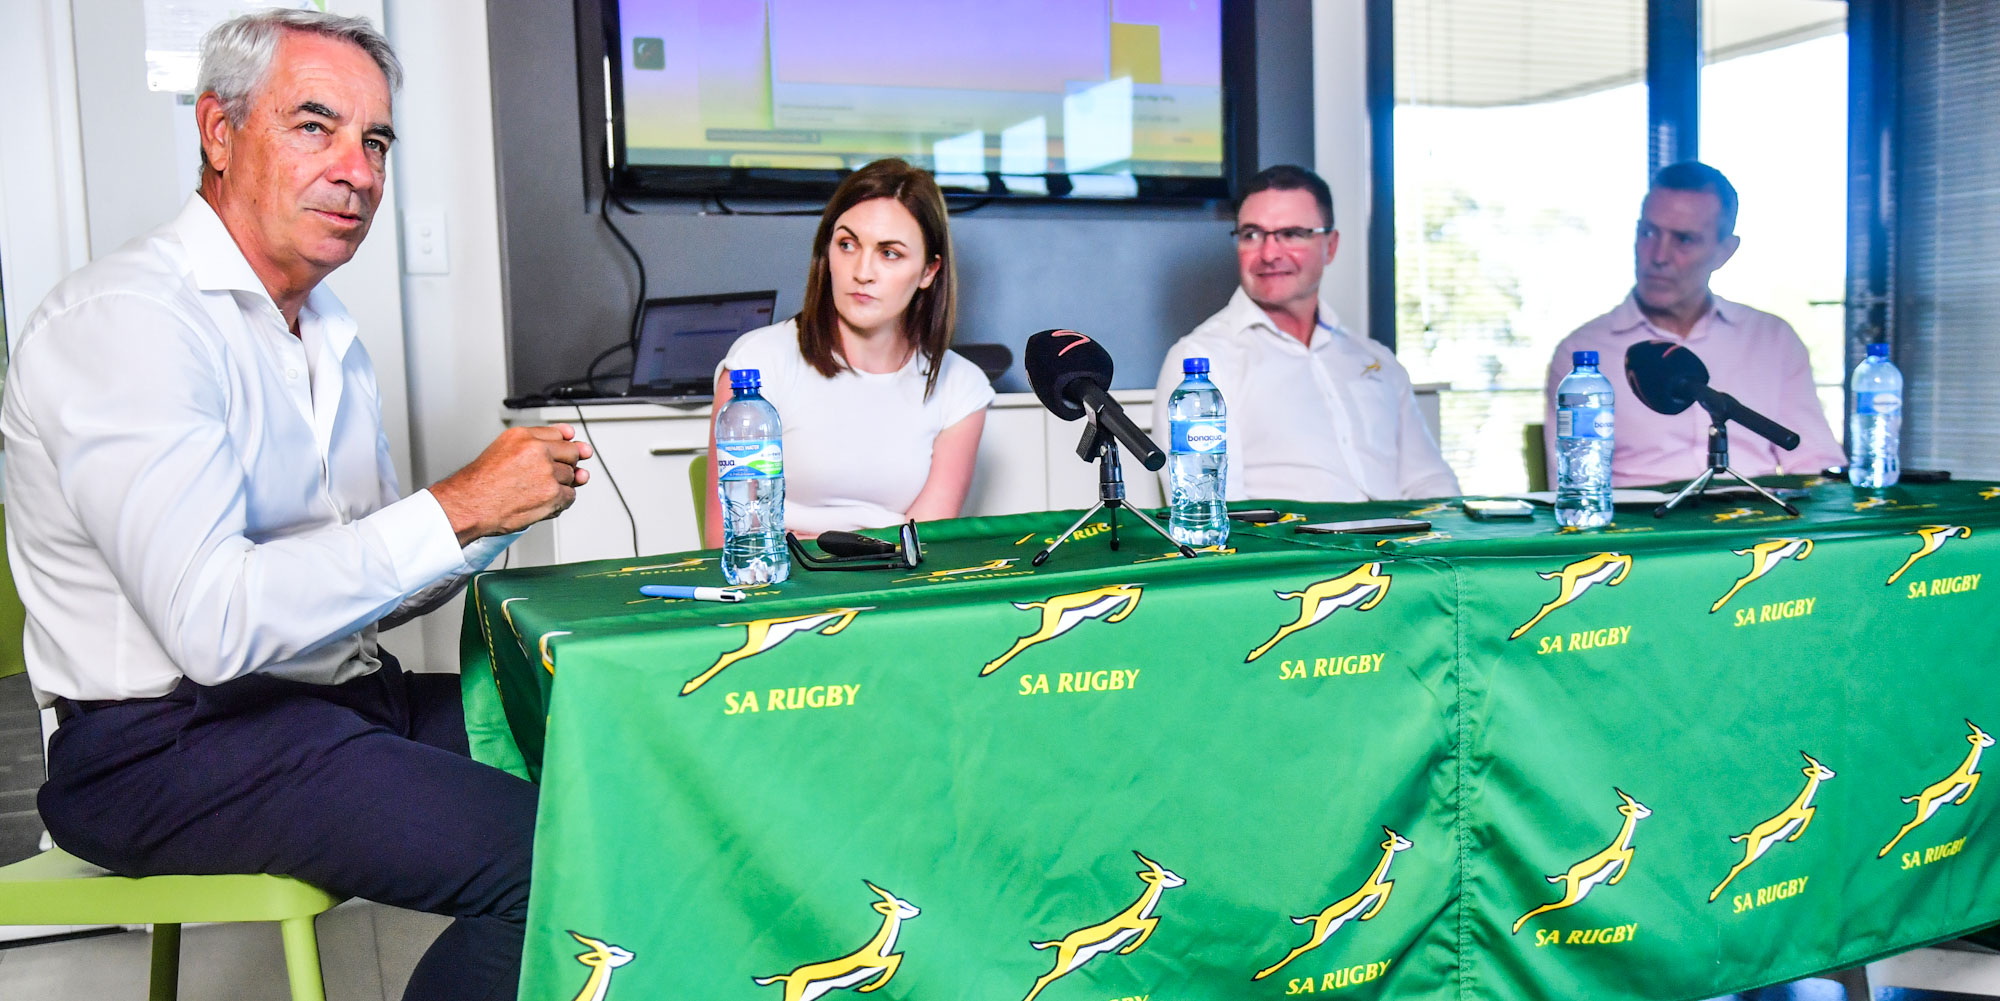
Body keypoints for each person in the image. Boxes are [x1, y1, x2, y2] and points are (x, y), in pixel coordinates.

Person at [0, 12, 588, 1000]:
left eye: (376, 141)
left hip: (336, 699)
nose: (357, 170)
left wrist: (486, 519)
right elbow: (215, 624)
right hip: (167, 744)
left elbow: (359, 588)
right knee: (557, 861)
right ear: (218, 132)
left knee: (612, 747)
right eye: (315, 126)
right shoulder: (129, 323)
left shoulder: (326, 333)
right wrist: (455, 506)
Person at [703, 158, 993, 545]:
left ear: (929, 271)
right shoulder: (757, 363)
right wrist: (866, 544)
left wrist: (816, 545)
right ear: (827, 252)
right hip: (780, 579)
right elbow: (728, 540)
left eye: (890, 253)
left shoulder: (962, 386)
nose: (862, 272)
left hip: (892, 581)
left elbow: (925, 545)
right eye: (847, 245)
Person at [1152, 165, 1459, 503]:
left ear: (1331, 246)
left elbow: (1430, 482)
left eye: (1292, 233)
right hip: (1291, 537)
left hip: (1401, 536)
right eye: (1252, 234)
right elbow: (1212, 509)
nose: (1269, 254)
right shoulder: (1201, 361)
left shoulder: (1377, 360)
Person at [1544, 162, 1844, 486]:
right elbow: (1572, 486)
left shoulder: (1773, 339)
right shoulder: (1582, 353)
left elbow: (1816, 464)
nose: (1659, 256)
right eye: (1648, 233)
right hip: (1640, 516)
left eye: (1684, 239)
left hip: (1754, 512)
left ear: (1724, 252)